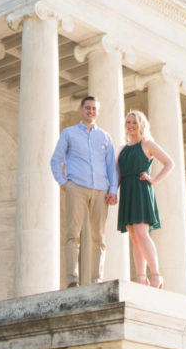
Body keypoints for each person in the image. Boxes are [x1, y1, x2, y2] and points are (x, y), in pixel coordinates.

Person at [50, 95, 118, 287]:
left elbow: (111, 166)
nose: (90, 111)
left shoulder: (105, 137)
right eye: (87, 108)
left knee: (99, 237)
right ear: (81, 110)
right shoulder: (69, 133)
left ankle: (97, 279)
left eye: (94, 109)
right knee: (73, 234)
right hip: (76, 187)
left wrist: (113, 189)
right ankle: (72, 279)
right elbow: (56, 159)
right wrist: (63, 182)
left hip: (100, 190)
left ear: (98, 112)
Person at [116, 110, 174, 288]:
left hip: (141, 189)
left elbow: (169, 163)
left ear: (141, 124)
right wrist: (112, 191)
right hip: (127, 190)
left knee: (142, 233)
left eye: (134, 122)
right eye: (128, 122)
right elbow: (118, 173)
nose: (131, 125)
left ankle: (156, 275)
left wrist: (154, 180)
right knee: (134, 236)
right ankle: (141, 278)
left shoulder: (147, 144)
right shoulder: (122, 149)